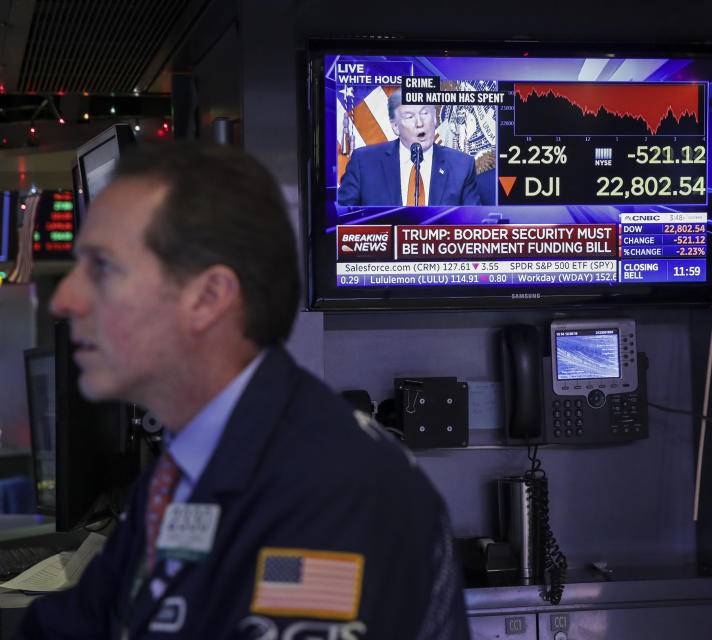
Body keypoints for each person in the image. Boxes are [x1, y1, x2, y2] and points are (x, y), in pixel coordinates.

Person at [17, 143, 469, 639]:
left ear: (208, 298)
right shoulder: (189, 467)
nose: (64, 299)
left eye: (102, 267)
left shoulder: (326, 494)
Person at [337, 91, 482, 206]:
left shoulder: (462, 165)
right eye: (409, 116)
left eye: (425, 113)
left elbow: (473, 223)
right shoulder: (364, 162)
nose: (419, 123)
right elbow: (342, 219)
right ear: (395, 127)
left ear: (435, 119)